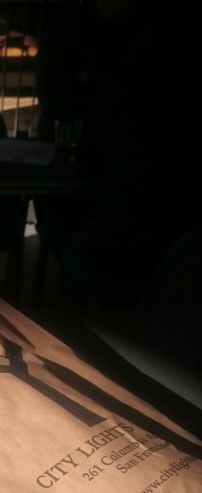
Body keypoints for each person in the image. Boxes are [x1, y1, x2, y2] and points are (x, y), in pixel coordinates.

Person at [34, 0, 202, 306]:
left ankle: (82, 323)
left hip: (134, 226)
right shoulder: (166, 39)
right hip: (166, 225)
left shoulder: (134, 67)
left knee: (73, 248)